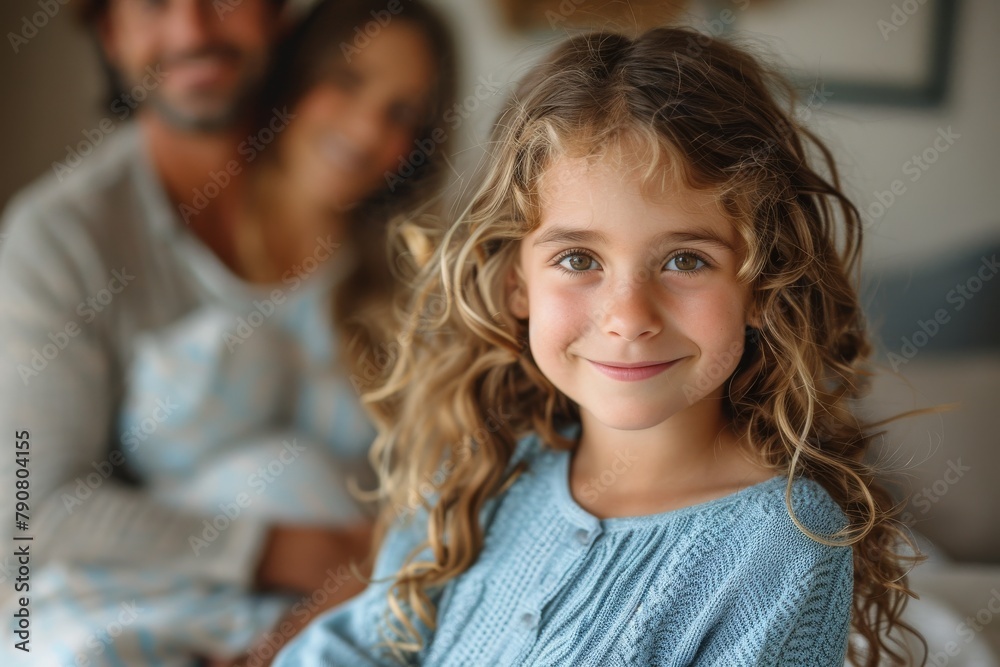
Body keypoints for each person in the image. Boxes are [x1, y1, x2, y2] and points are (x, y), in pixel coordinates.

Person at [273, 27, 924, 667]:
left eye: (686, 260)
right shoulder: (481, 472)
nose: (629, 316)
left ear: (762, 283)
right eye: (580, 257)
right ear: (515, 282)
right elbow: (361, 643)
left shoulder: (786, 541)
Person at [0, 0, 455, 664]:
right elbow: (27, 510)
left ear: (279, 19)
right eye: (154, 4)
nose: (192, 29)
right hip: (138, 612)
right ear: (109, 31)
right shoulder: (62, 239)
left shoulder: (399, 262)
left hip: (343, 614)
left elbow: (447, 488)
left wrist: (316, 613)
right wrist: (303, 551)